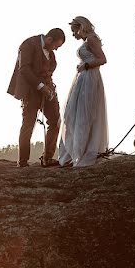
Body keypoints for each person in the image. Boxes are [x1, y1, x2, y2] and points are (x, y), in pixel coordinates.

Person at [7, 28, 66, 167]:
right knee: (28, 123)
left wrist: (48, 87)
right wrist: (40, 86)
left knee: (55, 121)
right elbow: (24, 69)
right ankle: (22, 161)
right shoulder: (27, 44)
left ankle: (47, 158)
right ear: (49, 39)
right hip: (30, 92)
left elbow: (51, 68)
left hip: (48, 91)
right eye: (56, 46)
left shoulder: (50, 52)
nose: (56, 50)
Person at [57, 16, 108, 168]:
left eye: (74, 31)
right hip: (84, 78)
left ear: (81, 27)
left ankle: (81, 153)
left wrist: (85, 66)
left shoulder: (92, 39)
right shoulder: (87, 40)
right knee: (74, 113)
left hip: (89, 79)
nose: (73, 35)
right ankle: (74, 153)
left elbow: (103, 59)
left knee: (83, 114)